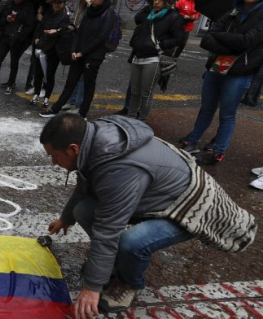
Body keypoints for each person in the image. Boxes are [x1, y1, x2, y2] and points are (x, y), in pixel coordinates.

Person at [41, 113, 256, 317]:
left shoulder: (118, 169)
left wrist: (92, 287)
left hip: (189, 207)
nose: (53, 162)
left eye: (54, 156)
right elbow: (84, 186)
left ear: (73, 149)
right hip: (156, 197)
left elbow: (108, 230)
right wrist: (66, 218)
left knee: (132, 242)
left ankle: (129, 283)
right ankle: (114, 264)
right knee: (83, 211)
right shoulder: (93, 140)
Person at [181, 0, 263, 165]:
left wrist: (223, 39)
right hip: (217, 67)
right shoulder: (232, 12)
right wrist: (232, 45)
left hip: (239, 73)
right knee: (206, 109)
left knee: (227, 114)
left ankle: (217, 152)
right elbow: (207, 38)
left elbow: (248, 41)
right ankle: (192, 141)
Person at [40, 0, 117, 119]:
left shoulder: (108, 13)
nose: (92, 0)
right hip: (79, 53)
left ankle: (83, 113)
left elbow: (101, 37)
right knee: (70, 82)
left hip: (93, 56)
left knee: (88, 84)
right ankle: (55, 109)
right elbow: (79, 32)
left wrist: (83, 52)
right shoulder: (89, 11)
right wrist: (74, 50)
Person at [127, 0, 185, 121]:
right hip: (138, 56)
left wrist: (163, 44)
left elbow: (180, 39)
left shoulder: (174, 17)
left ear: (167, 1)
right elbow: (138, 21)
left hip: (153, 59)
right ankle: (129, 117)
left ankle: (142, 119)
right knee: (134, 92)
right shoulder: (149, 14)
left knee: (146, 93)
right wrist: (135, 42)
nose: (156, 2)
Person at [0, 0, 37, 95]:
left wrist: (20, 37)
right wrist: (6, 19)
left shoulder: (28, 7)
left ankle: (11, 83)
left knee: (14, 63)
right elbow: (1, 20)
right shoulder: (10, 4)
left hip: (17, 39)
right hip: (6, 35)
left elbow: (30, 25)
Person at [31, 0, 70, 108]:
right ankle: (36, 94)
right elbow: (40, 27)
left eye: (59, 2)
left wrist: (56, 31)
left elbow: (64, 29)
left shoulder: (65, 17)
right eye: (55, 2)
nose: (56, 5)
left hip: (54, 51)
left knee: (49, 75)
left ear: (63, 3)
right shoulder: (48, 14)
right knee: (38, 73)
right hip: (42, 48)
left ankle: (47, 97)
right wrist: (37, 38)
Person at [61, 0, 96, 111]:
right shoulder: (82, 7)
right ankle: (71, 100)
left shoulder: (92, 9)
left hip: (86, 48)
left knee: (82, 78)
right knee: (74, 75)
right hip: (77, 45)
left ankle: (78, 103)